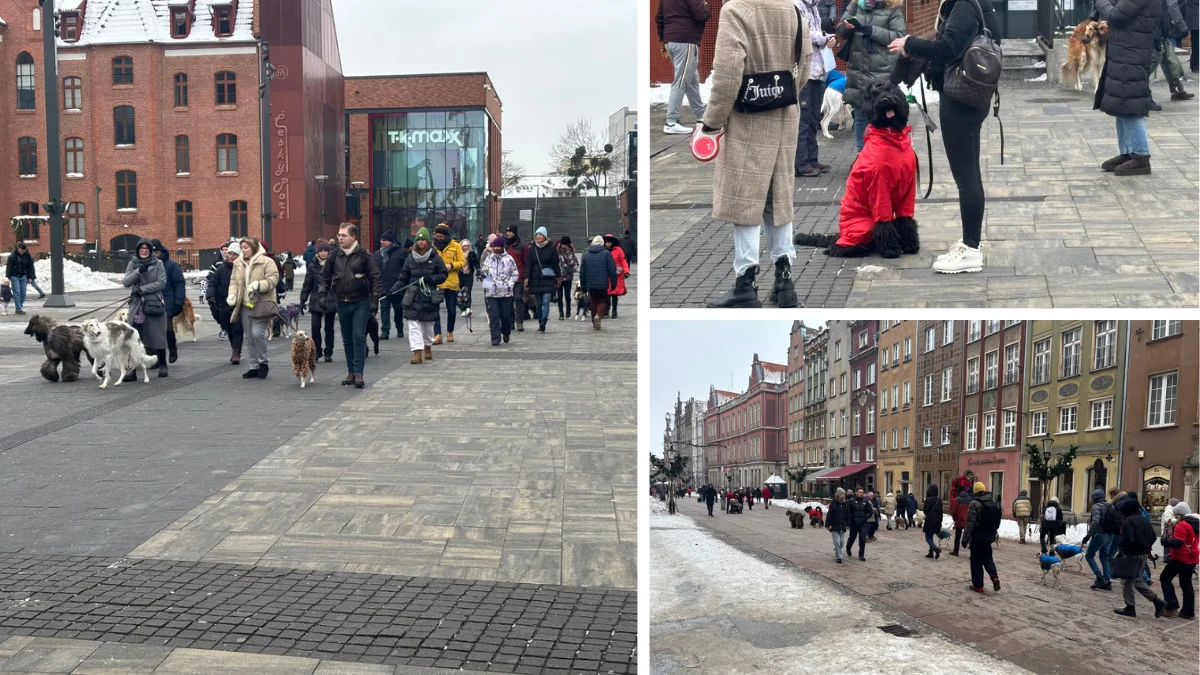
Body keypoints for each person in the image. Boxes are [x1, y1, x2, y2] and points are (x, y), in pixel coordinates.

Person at [703, 0, 810, 309]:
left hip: (747, 117)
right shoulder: (792, 9)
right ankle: (784, 280)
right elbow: (805, 60)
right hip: (785, 114)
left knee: (745, 201)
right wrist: (785, 94)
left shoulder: (736, 9)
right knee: (780, 198)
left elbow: (726, 72)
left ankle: (745, 282)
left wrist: (713, 121)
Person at [891, 0, 997, 274]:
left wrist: (910, 43)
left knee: (966, 179)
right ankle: (970, 242)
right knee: (970, 176)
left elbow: (948, 49)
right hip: (966, 99)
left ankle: (971, 249)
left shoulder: (963, 6)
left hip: (961, 101)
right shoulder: (966, 5)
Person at [1091, 0, 1162, 176]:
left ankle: (1141, 156)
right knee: (1121, 103)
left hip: (1132, 52)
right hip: (1124, 49)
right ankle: (1128, 152)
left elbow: (1117, 15)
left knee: (1130, 102)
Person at [841, 0, 906, 151]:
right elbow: (841, 30)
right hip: (858, 70)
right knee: (860, 116)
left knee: (884, 116)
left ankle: (883, 154)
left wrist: (873, 31)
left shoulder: (892, 8)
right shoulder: (855, 5)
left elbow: (899, 36)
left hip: (882, 72)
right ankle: (862, 156)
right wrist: (847, 28)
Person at [326, 223, 381, 388]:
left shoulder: (364, 255)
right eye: (339, 235)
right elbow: (324, 277)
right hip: (342, 302)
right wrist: (323, 295)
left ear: (353, 237)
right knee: (347, 338)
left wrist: (374, 300)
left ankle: (359, 373)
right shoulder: (335, 255)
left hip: (361, 302)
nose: (340, 238)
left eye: (343, 235)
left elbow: (376, 278)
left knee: (358, 335)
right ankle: (350, 372)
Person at [392, 227, 447, 365]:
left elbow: (443, 274)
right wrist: (393, 289)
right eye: (419, 240)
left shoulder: (435, 257)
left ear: (428, 241)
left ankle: (428, 346)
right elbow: (403, 277)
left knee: (428, 326)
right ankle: (417, 352)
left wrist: (431, 279)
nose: (421, 242)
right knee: (413, 325)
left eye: (423, 239)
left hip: (429, 296)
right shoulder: (410, 258)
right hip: (412, 296)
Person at [226, 237, 278, 380]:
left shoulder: (266, 261)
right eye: (242, 247)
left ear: (254, 248)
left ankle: (263, 362)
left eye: (246, 247)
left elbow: (273, 278)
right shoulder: (238, 263)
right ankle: (253, 366)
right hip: (244, 305)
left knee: (257, 334)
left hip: (261, 304)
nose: (243, 250)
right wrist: (232, 294)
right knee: (248, 336)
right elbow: (234, 281)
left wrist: (259, 285)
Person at [657, 0, 711, 133]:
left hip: (671, 41)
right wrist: (705, 5)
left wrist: (663, 41)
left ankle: (701, 117)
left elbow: (659, 18)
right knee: (682, 80)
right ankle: (671, 122)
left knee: (691, 80)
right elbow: (702, 14)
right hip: (685, 40)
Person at [796, 0, 835, 178]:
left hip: (818, 70)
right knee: (802, 119)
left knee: (813, 118)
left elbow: (817, 34)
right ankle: (800, 163)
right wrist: (824, 37)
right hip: (803, 70)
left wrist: (826, 39)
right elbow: (804, 33)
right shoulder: (796, 4)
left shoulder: (813, 7)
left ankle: (812, 159)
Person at [122, 239, 170, 379]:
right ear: (138, 250)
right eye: (141, 248)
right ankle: (132, 370)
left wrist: (142, 289)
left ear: (150, 250)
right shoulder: (132, 264)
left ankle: (162, 364)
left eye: (147, 248)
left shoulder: (158, 263)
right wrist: (138, 271)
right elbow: (126, 282)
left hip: (153, 303)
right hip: (137, 305)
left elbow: (161, 282)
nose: (144, 250)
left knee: (157, 336)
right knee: (134, 337)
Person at [1113, 496, 1165, 618]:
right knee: (1137, 580)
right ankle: (1157, 602)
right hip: (1143, 554)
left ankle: (1131, 607)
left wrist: (1124, 550)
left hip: (1133, 555)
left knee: (1129, 582)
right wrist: (1146, 547)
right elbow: (1152, 536)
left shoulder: (1129, 521)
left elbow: (1127, 539)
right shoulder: (1144, 519)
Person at [299, 241, 336, 363]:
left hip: (330, 297)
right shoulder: (313, 266)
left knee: (329, 328)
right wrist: (302, 300)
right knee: (315, 327)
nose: (324, 253)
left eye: (326, 251)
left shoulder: (334, 264)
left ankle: (328, 351)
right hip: (315, 298)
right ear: (318, 252)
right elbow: (307, 284)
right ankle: (317, 351)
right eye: (321, 251)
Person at [1160, 502, 1197, 619]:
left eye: (1176, 515)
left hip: (1180, 558)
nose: (1175, 517)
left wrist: (1164, 540)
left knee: (1165, 578)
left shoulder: (1183, 525)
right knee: (1186, 584)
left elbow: (1177, 542)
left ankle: (1171, 608)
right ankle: (1188, 611)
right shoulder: (1195, 524)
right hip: (1191, 558)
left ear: (1180, 515)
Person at [151, 240, 186, 365]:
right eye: (153, 252)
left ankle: (172, 348)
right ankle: (156, 358)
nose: (155, 254)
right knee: (152, 332)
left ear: (161, 251)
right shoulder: (147, 265)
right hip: (150, 302)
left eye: (157, 252)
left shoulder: (171, 265)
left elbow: (179, 284)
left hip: (167, 301)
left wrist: (179, 302)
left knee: (167, 329)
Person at [962, 482, 1002, 593]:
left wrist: (965, 538)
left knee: (975, 560)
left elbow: (970, 523)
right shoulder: (993, 501)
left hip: (977, 537)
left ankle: (978, 586)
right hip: (989, 535)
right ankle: (994, 577)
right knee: (987, 557)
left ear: (975, 491)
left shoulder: (974, 503)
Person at [1151, 0, 1194, 101]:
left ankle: (1177, 91)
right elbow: (1172, 6)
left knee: (1169, 61)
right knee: (1152, 64)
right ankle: (1141, 94)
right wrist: (1182, 27)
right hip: (1158, 29)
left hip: (1159, 28)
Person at [481, 236, 519, 346]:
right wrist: (484, 278)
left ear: (503, 247)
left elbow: (515, 274)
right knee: (493, 316)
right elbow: (485, 272)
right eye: (494, 246)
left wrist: (509, 284)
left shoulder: (509, 259)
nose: (496, 248)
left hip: (505, 293)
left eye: (498, 246)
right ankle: (495, 338)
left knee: (506, 316)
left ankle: (506, 332)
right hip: (492, 293)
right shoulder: (489, 259)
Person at [524, 227, 562, 333]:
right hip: (535, 278)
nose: (538, 236)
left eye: (540, 234)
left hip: (548, 278)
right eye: (536, 234)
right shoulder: (532, 248)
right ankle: (540, 320)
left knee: (546, 300)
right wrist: (527, 277)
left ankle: (544, 321)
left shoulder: (551, 248)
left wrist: (558, 277)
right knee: (539, 303)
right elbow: (529, 264)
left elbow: (556, 264)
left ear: (545, 236)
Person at [432, 224, 465, 344]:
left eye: (440, 236)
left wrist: (451, 266)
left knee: (451, 309)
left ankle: (450, 331)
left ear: (445, 235)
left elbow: (462, 261)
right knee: (435, 309)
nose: (438, 238)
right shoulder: (432, 246)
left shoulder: (455, 245)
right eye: (437, 236)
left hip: (451, 281)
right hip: (436, 282)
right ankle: (437, 334)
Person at [578, 236, 618, 331]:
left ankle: (593, 321)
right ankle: (598, 315)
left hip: (590, 284)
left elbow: (582, 271)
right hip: (602, 282)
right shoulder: (606, 253)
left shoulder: (586, 254)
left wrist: (583, 285)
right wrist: (613, 283)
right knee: (603, 300)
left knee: (593, 301)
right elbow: (612, 269)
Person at [210, 246, 242, 364]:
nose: (231, 256)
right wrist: (210, 294)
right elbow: (213, 283)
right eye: (230, 254)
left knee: (237, 328)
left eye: (234, 254)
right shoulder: (221, 269)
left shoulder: (242, 268)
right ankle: (235, 348)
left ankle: (236, 352)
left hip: (239, 303)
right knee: (228, 327)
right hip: (224, 303)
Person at [1083, 488, 1117, 590]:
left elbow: (1095, 522)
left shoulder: (1096, 506)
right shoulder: (1110, 505)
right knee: (1104, 557)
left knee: (1089, 555)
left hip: (1100, 534)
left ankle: (1100, 578)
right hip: (1110, 535)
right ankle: (1107, 580)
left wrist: (1088, 535)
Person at [373, 231, 405, 340]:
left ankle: (399, 327)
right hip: (383, 286)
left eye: (384, 240)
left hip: (397, 286)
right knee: (384, 309)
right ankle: (385, 331)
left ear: (390, 241)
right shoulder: (377, 254)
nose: (382, 242)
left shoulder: (400, 252)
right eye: (381, 240)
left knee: (398, 309)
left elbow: (405, 269)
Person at [503, 226, 528, 331]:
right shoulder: (503, 245)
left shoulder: (522, 246)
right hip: (505, 278)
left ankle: (519, 321)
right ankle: (511, 322)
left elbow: (526, 262)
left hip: (518, 277)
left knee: (518, 298)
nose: (508, 233)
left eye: (510, 231)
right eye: (507, 231)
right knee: (508, 300)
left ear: (515, 233)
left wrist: (526, 276)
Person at [602, 234, 629, 318]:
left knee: (614, 294)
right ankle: (606, 310)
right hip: (606, 275)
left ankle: (614, 311)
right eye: (606, 242)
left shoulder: (618, 250)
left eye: (609, 242)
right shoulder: (602, 251)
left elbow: (623, 260)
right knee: (606, 294)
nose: (607, 244)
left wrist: (626, 271)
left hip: (616, 275)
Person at [4, 242, 35, 315]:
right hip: (14, 276)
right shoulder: (12, 256)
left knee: (23, 293)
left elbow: (30, 267)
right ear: (18, 249)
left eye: (23, 251)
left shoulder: (27, 256)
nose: (21, 253)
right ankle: (18, 308)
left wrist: (30, 277)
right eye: (20, 251)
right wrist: (7, 277)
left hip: (23, 275)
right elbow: (9, 268)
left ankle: (19, 306)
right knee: (17, 292)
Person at [846, 487, 873, 560]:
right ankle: (848, 548)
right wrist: (849, 521)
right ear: (856, 492)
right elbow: (848, 512)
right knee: (852, 537)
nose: (861, 494)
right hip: (854, 523)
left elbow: (870, 512)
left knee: (862, 538)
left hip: (863, 523)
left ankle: (861, 555)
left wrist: (865, 517)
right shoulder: (851, 501)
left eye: (862, 492)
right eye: (860, 492)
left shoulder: (866, 501)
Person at [555, 236, 579, 320]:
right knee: (560, 296)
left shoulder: (571, 252)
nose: (564, 246)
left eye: (565, 244)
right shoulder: (556, 252)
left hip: (568, 277)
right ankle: (561, 313)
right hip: (558, 277)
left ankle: (568, 309)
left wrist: (571, 269)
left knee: (567, 295)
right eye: (562, 244)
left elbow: (576, 264)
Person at [827, 487, 852, 563]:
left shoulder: (845, 504)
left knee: (841, 542)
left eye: (844, 494)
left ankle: (837, 550)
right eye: (842, 494)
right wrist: (828, 524)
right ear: (839, 495)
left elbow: (847, 515)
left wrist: (848, 524)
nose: (844, 495)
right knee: (837, 542)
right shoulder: (833, 504)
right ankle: (839, 557)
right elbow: (830, 514)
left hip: (842, 525)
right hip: (834, 525)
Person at [922, 485, 944, 558]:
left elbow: (925, 511)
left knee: (928, 537)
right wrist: (940, 521)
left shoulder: (927, 500)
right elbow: (941, 512)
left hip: (929, 521)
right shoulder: (939, 500)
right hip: (937, 520)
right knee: (931, 536)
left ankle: (935, 548)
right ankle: (930, 553)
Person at [949, 483, 971, 556]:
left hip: (959, 521)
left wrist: (955, 519)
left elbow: (954, 511)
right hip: (968, 521)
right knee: (970, 537)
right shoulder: (970, 499)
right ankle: (972, 554)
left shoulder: (957, 499)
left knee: (957, 537)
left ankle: (956, 551)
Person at [460, 239, 478, 313]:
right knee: (461, 291)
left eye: (467, 246)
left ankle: (468, 307)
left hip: (469, 275)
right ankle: (463, 307)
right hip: (460, 274)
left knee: (468, 291)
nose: (466, 247)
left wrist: (478, 269)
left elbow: (476, 262)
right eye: (464, 246)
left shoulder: (471, 253)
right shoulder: (459, 254)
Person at [1187, 0, 1199, 72]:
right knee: (1196, 45)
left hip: (1195, 20)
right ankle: (1195, 65)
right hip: (1195, 22)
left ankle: (1195, 64)